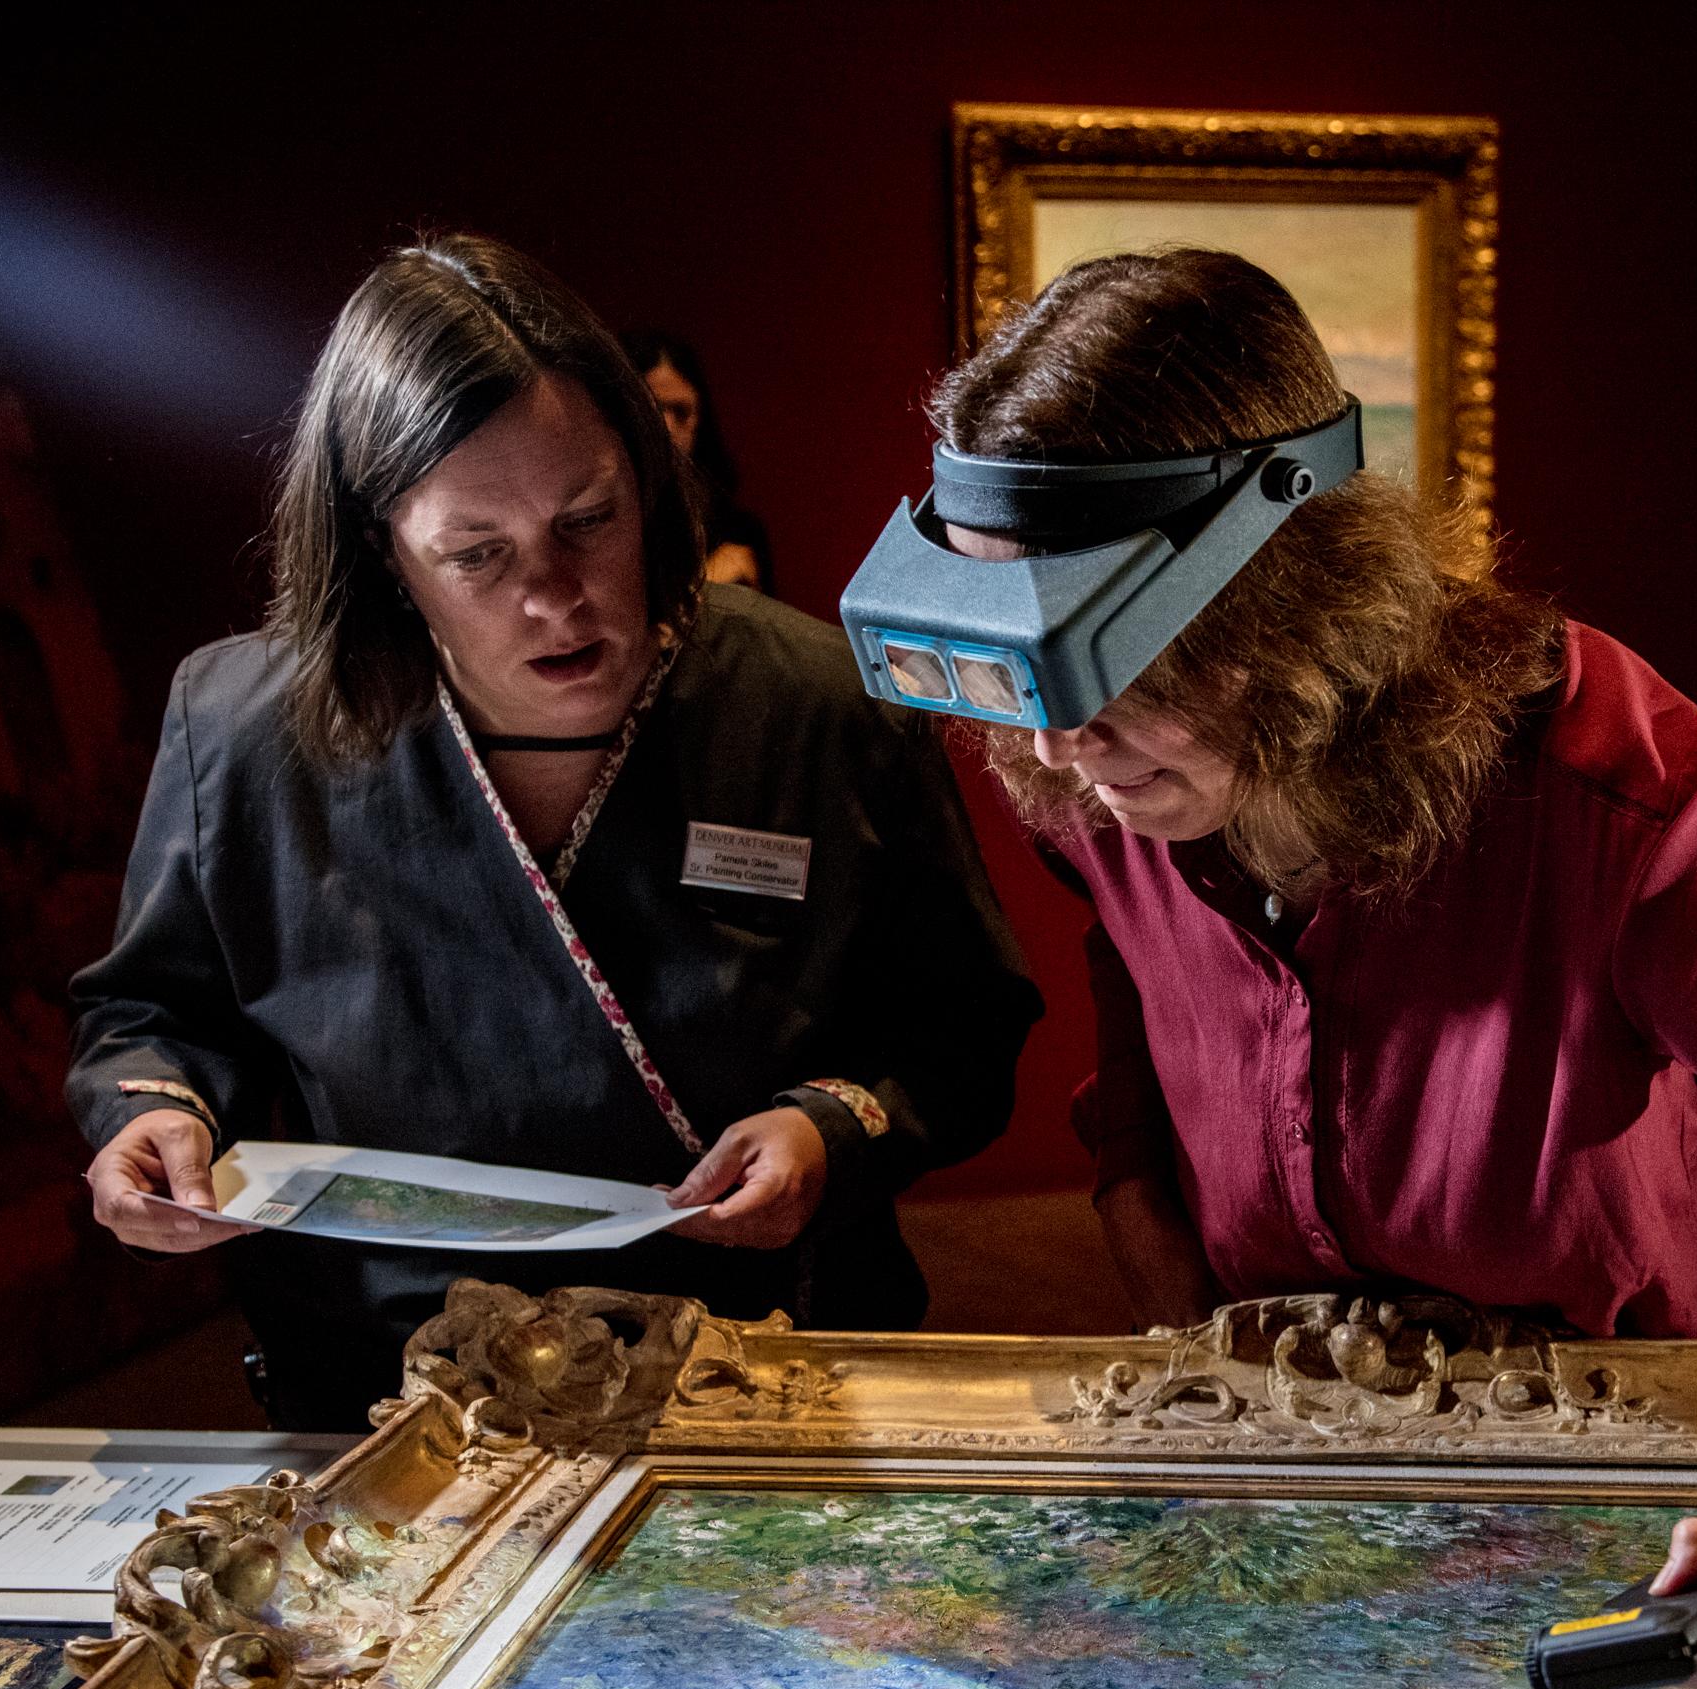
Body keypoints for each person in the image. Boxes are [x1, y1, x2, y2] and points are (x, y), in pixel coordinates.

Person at [845, 248, 1697, 1689]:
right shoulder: (1104, 772)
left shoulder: (1604, 778)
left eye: (1113, 654)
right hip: (1267, 1488)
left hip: (1606, 1485)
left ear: (1295, 590)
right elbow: (1140, 1046)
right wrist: (1148, 1231)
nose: (1058, 747)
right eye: (1013, 668)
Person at [71, 234, 1039, 1431]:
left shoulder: (822, 703)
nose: (554, 595)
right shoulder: (242, 728)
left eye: (588, 520)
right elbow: (155, 1014)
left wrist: (831, 1128)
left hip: (766, 1358)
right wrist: (156, 1116)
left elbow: (964, 1024)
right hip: (393, 1383)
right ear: (380, 549)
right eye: (476, 556)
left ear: (650, 477)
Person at [625, 328, 772, 593]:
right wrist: (709, 584)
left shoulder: (737, 526)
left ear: (700, 417)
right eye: (653, 410)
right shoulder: (602, 521)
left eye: (681, 411)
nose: (667, 428)